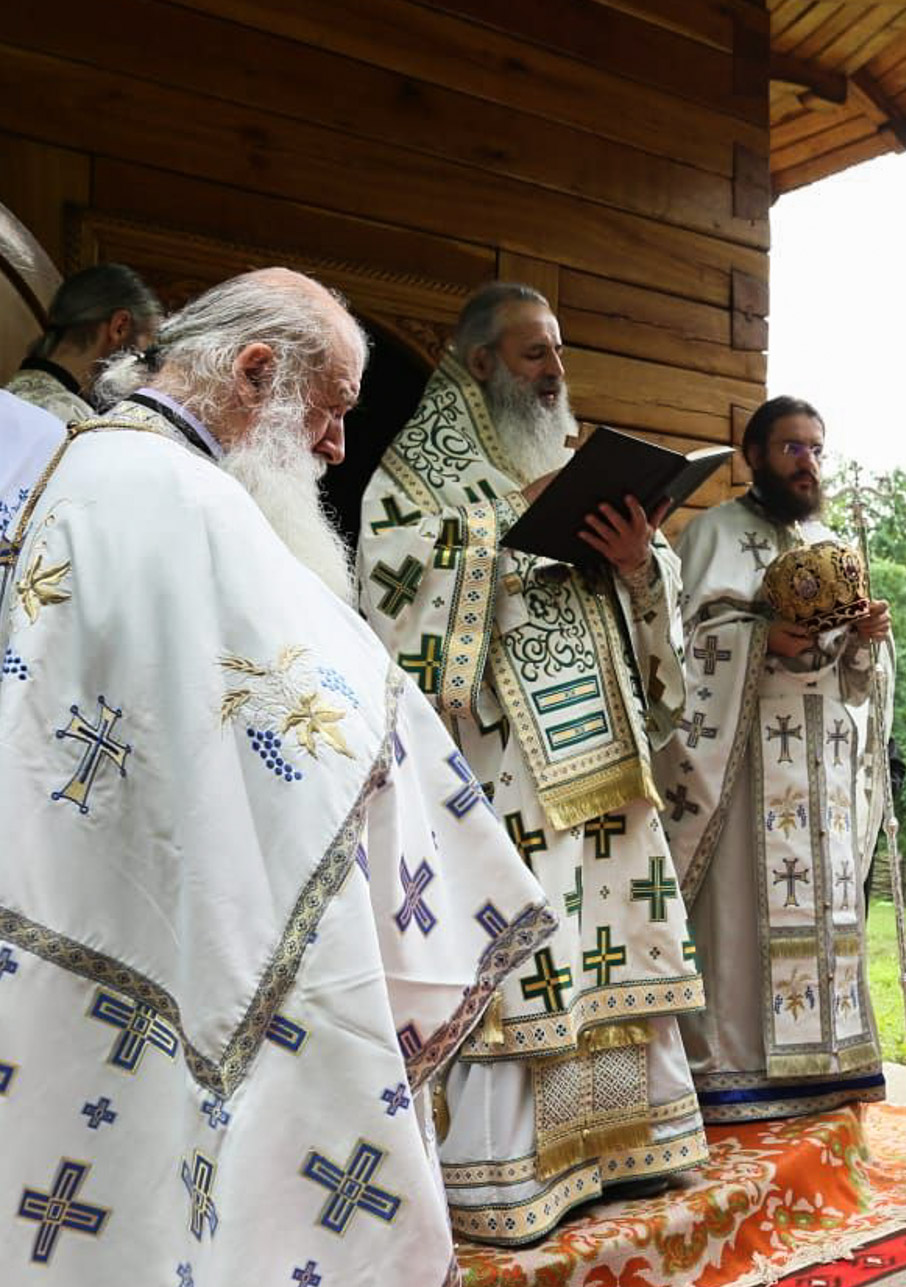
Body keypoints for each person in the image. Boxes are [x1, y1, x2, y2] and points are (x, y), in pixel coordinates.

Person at [0, 271, 552, 1284]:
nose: (337, 447)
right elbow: (327, 710)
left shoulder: (96, 464)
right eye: (332, 410)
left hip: (86, 888)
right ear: (255, 372)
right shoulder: (177, 494)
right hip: (162, 904)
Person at [356, 282, 706, 1244]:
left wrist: (638, 561)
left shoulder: (568, 449)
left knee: (612, 940)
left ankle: (629, 1145)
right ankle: (514, 1171)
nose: (555, 371)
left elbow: (648, 611)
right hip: (506, 764)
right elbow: (390, 583)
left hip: (607, 756)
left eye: (558, 351)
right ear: (480, 364)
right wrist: (505, 524)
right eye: (533, 353)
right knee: (536, 958)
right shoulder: (422, 467)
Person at [654, 394, 896, 1123]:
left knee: (824, 912)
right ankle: (734, 1072)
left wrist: (867, 639)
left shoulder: (831, 542)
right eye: (792, 447)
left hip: (821, 771)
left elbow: (858, 684)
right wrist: (761, 638)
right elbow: (675, 645)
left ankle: (826, 1063)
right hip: (742, 763)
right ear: (753, 455)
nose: (807, 462)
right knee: (737, 920)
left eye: (816, 449)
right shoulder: (710, 533)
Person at [6, 263, 161, 421]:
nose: (146, 375)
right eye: (145, 356)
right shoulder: (70, 419)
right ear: (119, 326)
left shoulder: (11, 394)